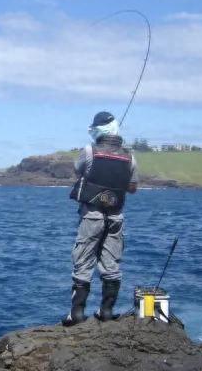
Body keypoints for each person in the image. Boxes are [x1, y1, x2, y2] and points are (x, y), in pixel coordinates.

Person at [62, 111, 138, 326]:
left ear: (97, 131)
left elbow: (80, 171)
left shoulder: (88, 151)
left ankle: (76, 314)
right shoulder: (130, 157)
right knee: (111, 262)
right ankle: (106, 312)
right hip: (116, 215)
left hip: (92, 214)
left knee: (83, 259)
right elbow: (132, 188)